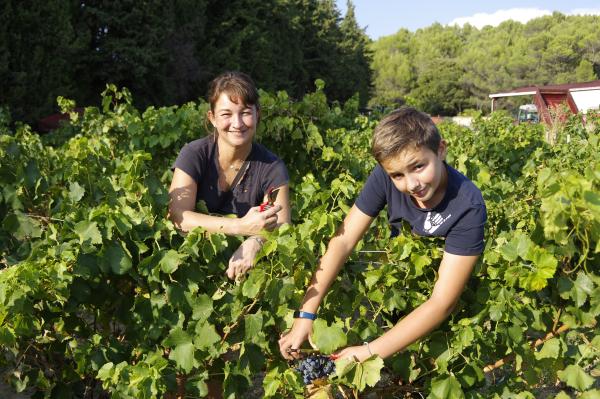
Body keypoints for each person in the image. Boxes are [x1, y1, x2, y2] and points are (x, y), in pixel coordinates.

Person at [279, 107, 486, 362]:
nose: (411, 184)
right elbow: (344, 240)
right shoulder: (385, 175)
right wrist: (306, 314)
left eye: (418, 166)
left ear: (441, 150)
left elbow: (442, 302)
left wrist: (368, 352)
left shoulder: (467, 206)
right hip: (395, 294)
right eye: (398, 175)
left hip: (442, 322)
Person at [169, 71, 291, 280]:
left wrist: (256, 242)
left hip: (242, 277)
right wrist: (240, 227)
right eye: (226, 114)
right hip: (186, 271)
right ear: (212, 118)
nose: (237, 123)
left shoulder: (272, 168)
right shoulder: (194, 154)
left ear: (257, 114)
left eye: (245, 112)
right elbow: (177, 216)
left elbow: (281, 225)